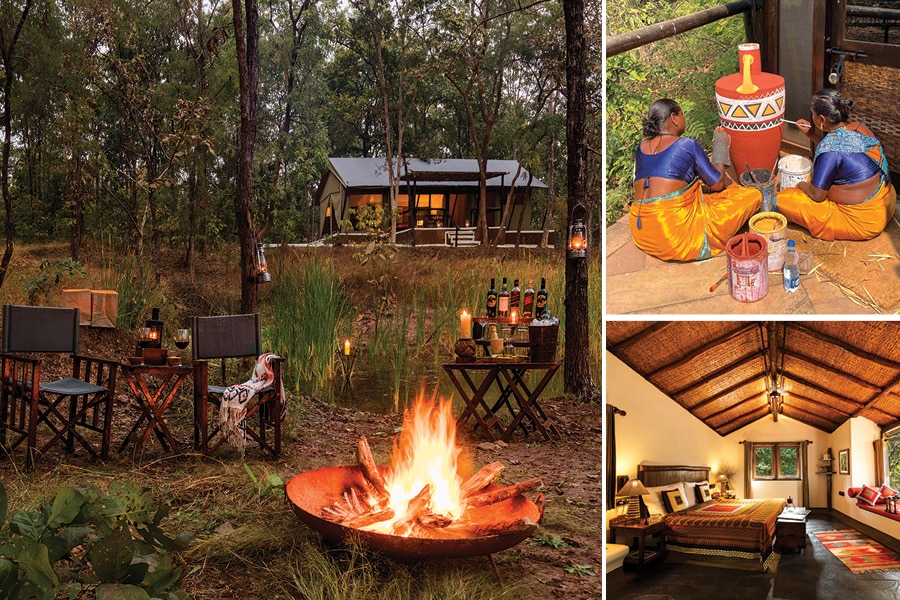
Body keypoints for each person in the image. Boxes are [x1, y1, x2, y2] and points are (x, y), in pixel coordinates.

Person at [631, 99, 761, 261]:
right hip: (675, 239)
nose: (683, 119)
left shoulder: (641, 146)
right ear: (674, 118)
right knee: (752, 196)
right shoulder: (686, 145)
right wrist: (720, 146)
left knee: (707, 197)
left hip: (642, 233)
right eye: (682, 115)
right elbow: (718, 184)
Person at [777, 89, 896, 241]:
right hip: (886, 201)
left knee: (784, 199)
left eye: (813, 114)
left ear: (821, 119)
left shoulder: (830, 149)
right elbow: (845, 151)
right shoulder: (859, 127)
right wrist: (812, 135)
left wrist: (799, 184)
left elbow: (817, 195)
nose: (812, 118)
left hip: (862, 222)